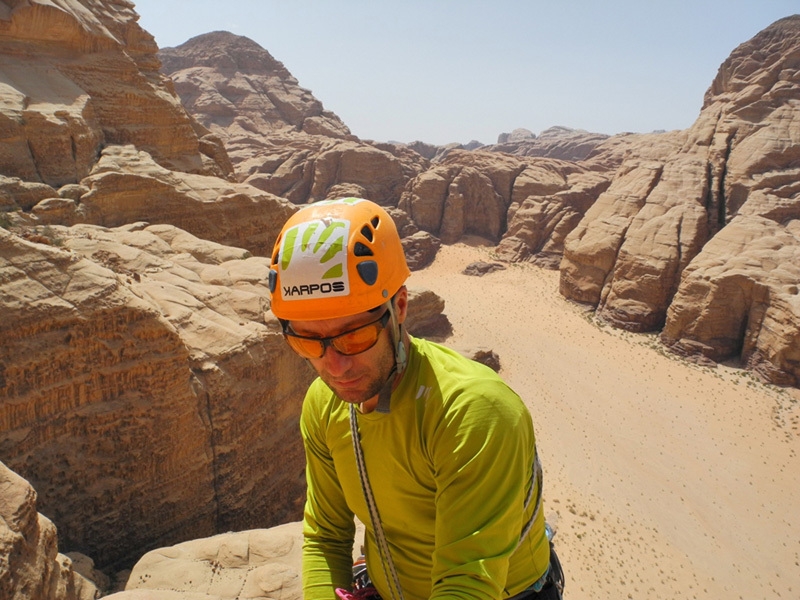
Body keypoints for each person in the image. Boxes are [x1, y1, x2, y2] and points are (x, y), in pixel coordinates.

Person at [268, 198, 563, 600]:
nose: (334, 366)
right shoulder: (324, 404)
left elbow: (468, 583)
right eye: (307, 341)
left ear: (401, 306)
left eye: (355, 336)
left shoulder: (473, 411)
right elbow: (326, 534)